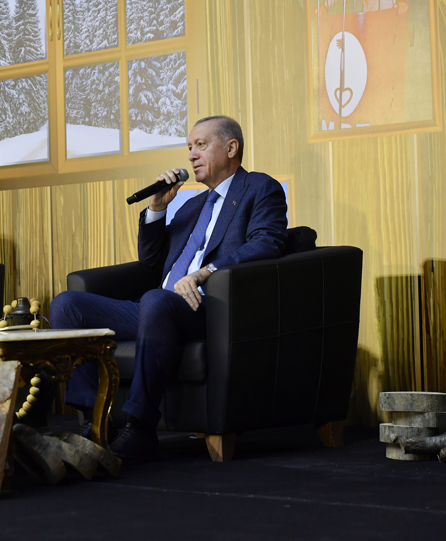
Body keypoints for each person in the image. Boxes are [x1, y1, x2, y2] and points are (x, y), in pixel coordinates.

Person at [51, 116, 288, 460]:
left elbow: (267, 242)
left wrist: (206, 272)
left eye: (201, 145)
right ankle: (96, 422)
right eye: (189, 147)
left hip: (208, 308)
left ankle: (140, 427)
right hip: (156, 307)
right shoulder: (192, 206)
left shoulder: (259, 188)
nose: (191, 155)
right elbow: (151, 263)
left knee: (156, 300)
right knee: (67, 305)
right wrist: (157, 207)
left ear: (231, 148)